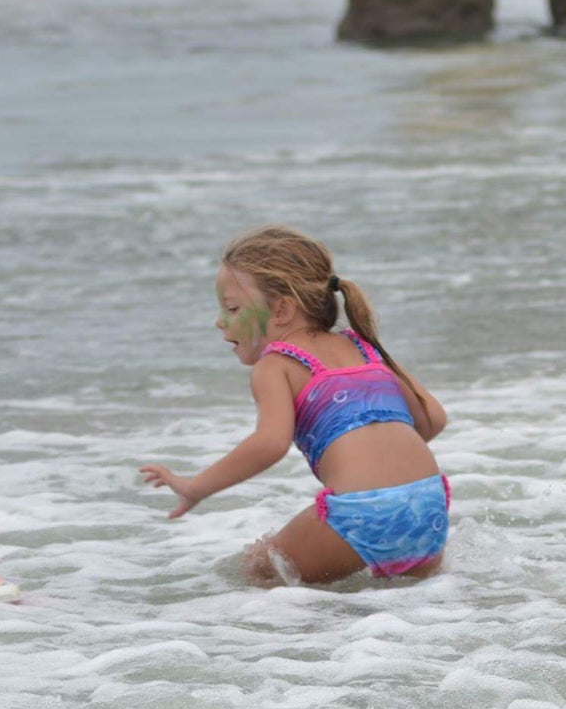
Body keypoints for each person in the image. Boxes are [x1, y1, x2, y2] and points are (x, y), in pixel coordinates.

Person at [141, 226, 450, 585]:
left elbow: (270, 444)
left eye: (232, 308)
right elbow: (433, 419)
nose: (219, 321)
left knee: (259, 568)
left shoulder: (276, 364)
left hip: (360, 513)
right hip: (428, 509)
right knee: (404, 605)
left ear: (283, 310)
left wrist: (196, 487)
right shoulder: (362, 346)